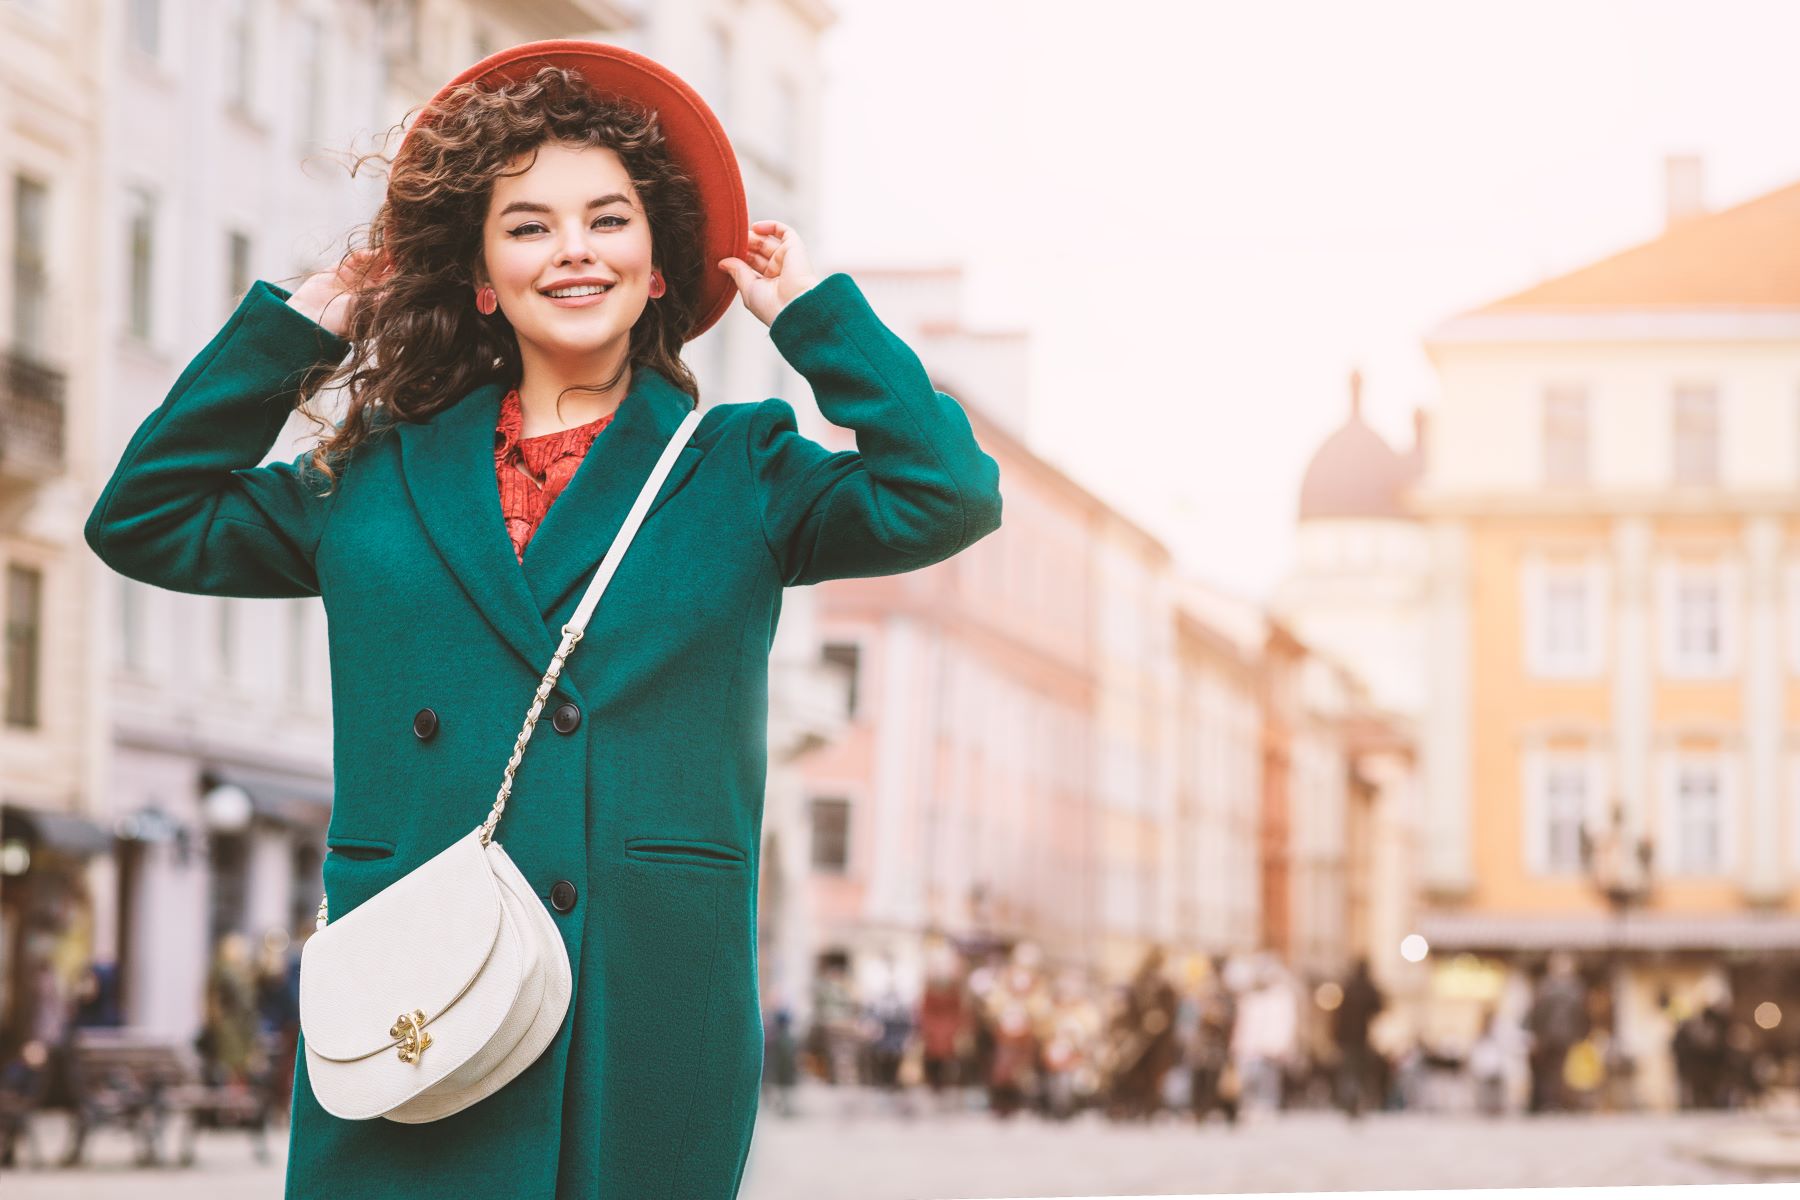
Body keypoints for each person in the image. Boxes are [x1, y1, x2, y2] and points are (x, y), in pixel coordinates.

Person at [83, 41, 1002, 1200]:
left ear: (658, 265)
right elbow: (145, 516)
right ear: (481, 277)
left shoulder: (740, 468)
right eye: (527, 225)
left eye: (608, 220)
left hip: (641, 1007)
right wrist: (292, 333)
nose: (572, 247)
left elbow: (949, 493)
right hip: (419, 996)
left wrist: (815, 320)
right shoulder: (372, 478)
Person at [1332, 957, 1386, 1120]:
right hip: (1361, 1038)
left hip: (1347, 1038)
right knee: (1359, 1071)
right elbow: (1378, 1007)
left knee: (1349, 1071)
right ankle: (1356, 1101)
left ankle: (1350, 1101)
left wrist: (1336, 1036)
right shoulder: (1367, 987)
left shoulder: (1348, 987)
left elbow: (1338, 1016)